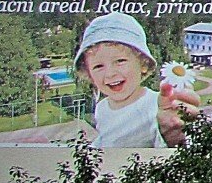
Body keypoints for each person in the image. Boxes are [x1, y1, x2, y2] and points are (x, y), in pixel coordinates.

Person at [77, 12, 193, 149]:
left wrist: (172, 136)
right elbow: (106, 140)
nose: (110, 74)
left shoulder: (155, 105)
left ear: (143, 64)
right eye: (98, 66)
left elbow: (168, 147)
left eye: (120, 61)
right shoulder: (102, 108)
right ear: (89, 74)